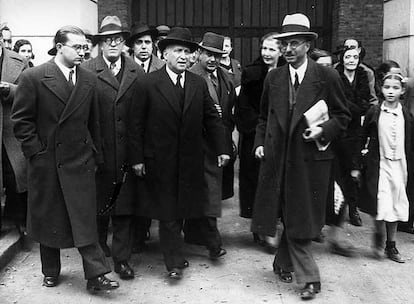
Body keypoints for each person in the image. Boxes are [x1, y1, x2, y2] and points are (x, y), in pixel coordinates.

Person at [11, 25, 119, 292]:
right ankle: (50, 271)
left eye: (86, 47)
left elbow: (95, 123)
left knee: (85, 221)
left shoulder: (88, 79)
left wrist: (96, 156)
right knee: (49, 218)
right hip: (47, 162)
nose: (84, 52)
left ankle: (96, 275)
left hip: (80, 161)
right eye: (78, 47)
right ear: (60, 47)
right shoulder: (34, 77)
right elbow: (21, 122)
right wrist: (37, 153)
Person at [252, 13, 350, 300]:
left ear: (308, 45)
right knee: (291, 215)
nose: (289, 50)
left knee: (300, 220)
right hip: (278, 159)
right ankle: (286, 264)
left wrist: (322, 130)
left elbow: (343, 116)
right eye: (285, 44)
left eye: (295, 43)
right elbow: (263, 116)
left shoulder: (326, 76)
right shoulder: (274, 78)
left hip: (310, 162)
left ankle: (309, 278)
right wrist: (259, 142)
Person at [128, 27, 229, 280]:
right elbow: (135, 125)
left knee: (183, 208)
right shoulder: (148, 83)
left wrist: (222, 148)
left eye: (187, 51)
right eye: (178, 51)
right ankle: (173, 262)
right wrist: (137, 159)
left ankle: (177, 254)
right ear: (164, 54)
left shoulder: (197, 83)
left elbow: (211, 119)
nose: (184, 56)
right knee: (168, 214)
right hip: (159, 162)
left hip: (189, 161)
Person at [82, 15, 144, 280]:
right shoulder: (87, 70)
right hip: (99, 152)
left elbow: (142, 115)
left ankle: (122, 260)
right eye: (108, 40)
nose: (114, 44)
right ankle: (98, 260)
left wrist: (139, 155)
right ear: (100, 44)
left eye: (118, 40)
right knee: (99, 208)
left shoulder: (135, 70)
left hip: (127, 153)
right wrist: (91, 151)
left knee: (124, 209)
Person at [353, 72, 414, 263]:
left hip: (399, 165)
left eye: (395, 88)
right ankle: (379, 237)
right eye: (387, 87)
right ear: (381, 88)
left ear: (402, 90)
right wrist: (357, 165)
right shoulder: (375, 112)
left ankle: (391, 244)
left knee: (395, 204)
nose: (390, 91)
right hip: (379, 165)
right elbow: (362, 138)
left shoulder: (405, 114)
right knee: (380, 203)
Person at [185, 31, 236, 258]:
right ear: (199, 53)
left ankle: (195, 234)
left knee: (209, 192)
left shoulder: (226, 77)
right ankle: (213, 242)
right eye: (208, 54)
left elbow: (229, 114)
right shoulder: (190, 76)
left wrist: (228, 142)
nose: (213, 59)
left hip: (217, 142)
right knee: (207, 193)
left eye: (217, 55)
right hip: (196, 144)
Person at [234, 32, 285, 251]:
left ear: (281, 51)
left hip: (282, 136)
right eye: (264, 48)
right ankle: (261, 227)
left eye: (272, 49)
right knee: (256, 182)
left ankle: (274, 224)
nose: (266, 53)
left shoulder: (287, 72)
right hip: (256, 134)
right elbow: (244, 107)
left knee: (278, 182)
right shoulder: (251, 73)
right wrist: (261, 134)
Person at [335, 47, 371, 227]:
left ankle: (353, 209)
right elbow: (339, 101)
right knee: (338, 171)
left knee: (354, 169)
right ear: (342, 59)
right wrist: (356, 109)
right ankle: (335, 211)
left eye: (355, 57)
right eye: (348, 57)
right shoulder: (337, 76)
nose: (351, 60)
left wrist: (356, 109)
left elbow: (365, 99)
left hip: (356, 130)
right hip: (340, 128)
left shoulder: (363, 76)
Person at [0, 29, 28, 236]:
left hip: (11, 131)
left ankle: (21, 222)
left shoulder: (18, 61)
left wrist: (9, 89)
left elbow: (29, 92)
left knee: (15, 176)